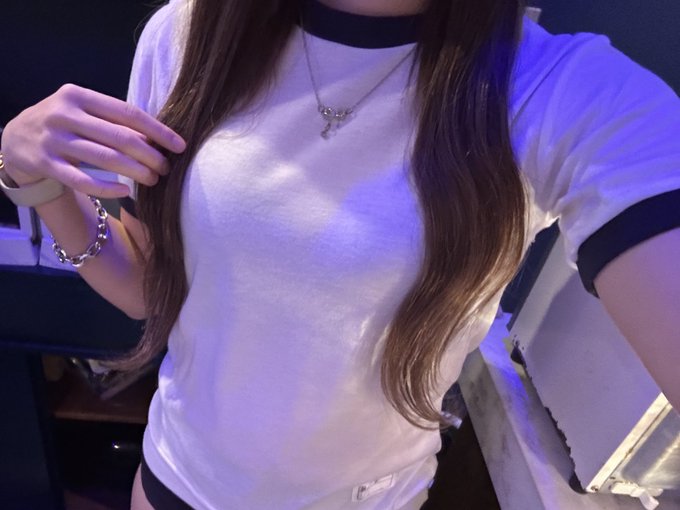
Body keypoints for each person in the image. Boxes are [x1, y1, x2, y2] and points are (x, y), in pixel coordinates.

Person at [1, 0, 679, 508]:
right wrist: (32, 179)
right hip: (178, 482)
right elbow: (151, 289)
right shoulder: (186, 33)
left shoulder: (559, 94)